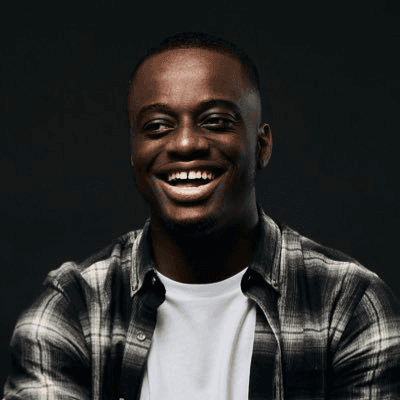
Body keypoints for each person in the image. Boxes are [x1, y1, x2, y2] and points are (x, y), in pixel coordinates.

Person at [3, 31, 400, 400]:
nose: (186, 143)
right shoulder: (72, 310)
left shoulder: (349, 304)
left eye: (215, 121)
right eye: (157, 126)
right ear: (134, 153)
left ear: (261, 146)